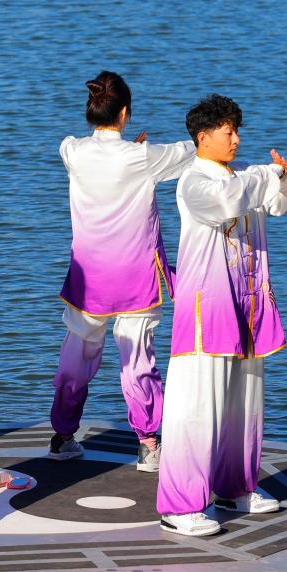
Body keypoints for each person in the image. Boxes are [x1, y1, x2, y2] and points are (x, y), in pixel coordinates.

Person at [157, 94, 287, 537]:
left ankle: (235, 487)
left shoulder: (244, 175)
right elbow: (228, 202)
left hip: (248, 303)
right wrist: (268, 175)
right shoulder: (194, 181)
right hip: (207, 307)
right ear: (203, 137)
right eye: (228, 131)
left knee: (244, 404)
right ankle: (180, 506)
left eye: (237, 130)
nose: (237, 139)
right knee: (196, 406)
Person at [48, 71, 195, 471]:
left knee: (76, 356)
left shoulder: (72, 150)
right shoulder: (143, 157)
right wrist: (142, 151)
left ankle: (63, 436)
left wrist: (136, 151)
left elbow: (94, 156)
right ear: (125, 113)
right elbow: (191, 150)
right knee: (138, 361)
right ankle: (147, 443)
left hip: (88, 277)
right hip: (135, 276)